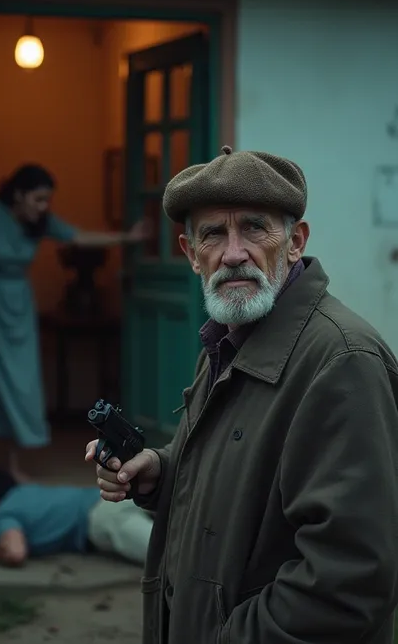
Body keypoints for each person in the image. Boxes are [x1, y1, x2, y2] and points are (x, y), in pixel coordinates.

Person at [86, 146, 398, 644]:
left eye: (254, 228)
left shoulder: (342, 362)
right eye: (213, 233)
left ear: (295, 242)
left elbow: (349, 579)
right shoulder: (228, 337)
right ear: (191, 254)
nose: (234, 253)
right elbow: (243, 490)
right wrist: (160, 473)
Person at [0, 163, 147, 478]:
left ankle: (15, 465)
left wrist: (127, 238)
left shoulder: (41, 222)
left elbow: (78, 236)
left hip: (18, 305)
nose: (44, 207)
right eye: (38, 199)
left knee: (22, 381)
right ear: (18, 194)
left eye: (47, 200)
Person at [0, 469, 153, 567]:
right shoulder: (28, 491)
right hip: (114, 498)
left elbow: (15, 553)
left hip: (101, 518)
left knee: (169, 556)